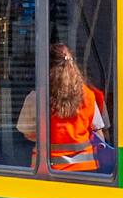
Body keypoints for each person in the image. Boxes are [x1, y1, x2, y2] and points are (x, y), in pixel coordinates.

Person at [17, 43, 109, 172]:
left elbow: (28, 133)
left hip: (48, 169)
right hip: (86, 169)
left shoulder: (36, 97)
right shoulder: (88, 95)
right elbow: (98, 131)